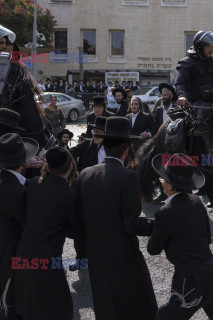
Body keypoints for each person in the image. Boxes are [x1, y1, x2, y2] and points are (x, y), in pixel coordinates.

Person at [76, 117, 157, 319]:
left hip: (95, 255)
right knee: (137, 305)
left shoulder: (84, 174)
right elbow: (131, 224)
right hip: (123, 256)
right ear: (127, 149)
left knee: (106, 305)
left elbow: (79, 219)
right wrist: (160, 224)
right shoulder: (128, 177)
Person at [148, 153, 213, 320]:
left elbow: (153, 249)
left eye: (163, 179)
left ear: (171, 186)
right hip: (211, 274)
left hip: (191, 281)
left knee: (164, 317)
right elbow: (206, 238)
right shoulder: (196, 201)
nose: (161, 181)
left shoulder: (165, 212)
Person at [15, 147, 83, 320]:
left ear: (48, 167)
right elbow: (76, 230)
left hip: (23, 251)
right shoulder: (69, 195)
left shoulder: (34, 184)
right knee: (58, 308)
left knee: (30, 305)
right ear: (70, 167)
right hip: (47, 258)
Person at [0, 133, 39, 317]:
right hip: (9, 261)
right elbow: (28, 224)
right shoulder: (18, 192)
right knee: (9, 306)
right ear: (23, 162)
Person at [175, 30, 213, 159]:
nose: (211, 49)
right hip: (197, 103)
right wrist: (182, 96)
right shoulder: (187, 63)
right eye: (208, 46)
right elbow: (180, 83)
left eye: (212, 46)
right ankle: (211, 150)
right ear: (199, 47)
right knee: (205, 112)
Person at [68, 116, 106, 270]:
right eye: (94, 132)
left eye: (99, 133)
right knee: (80, 225)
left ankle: (100, 256)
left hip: (104, 192)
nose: (95, 135)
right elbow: (68, 153)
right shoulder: (85, 145)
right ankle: (80, 257)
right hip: (84, 191)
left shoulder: (112, 148)